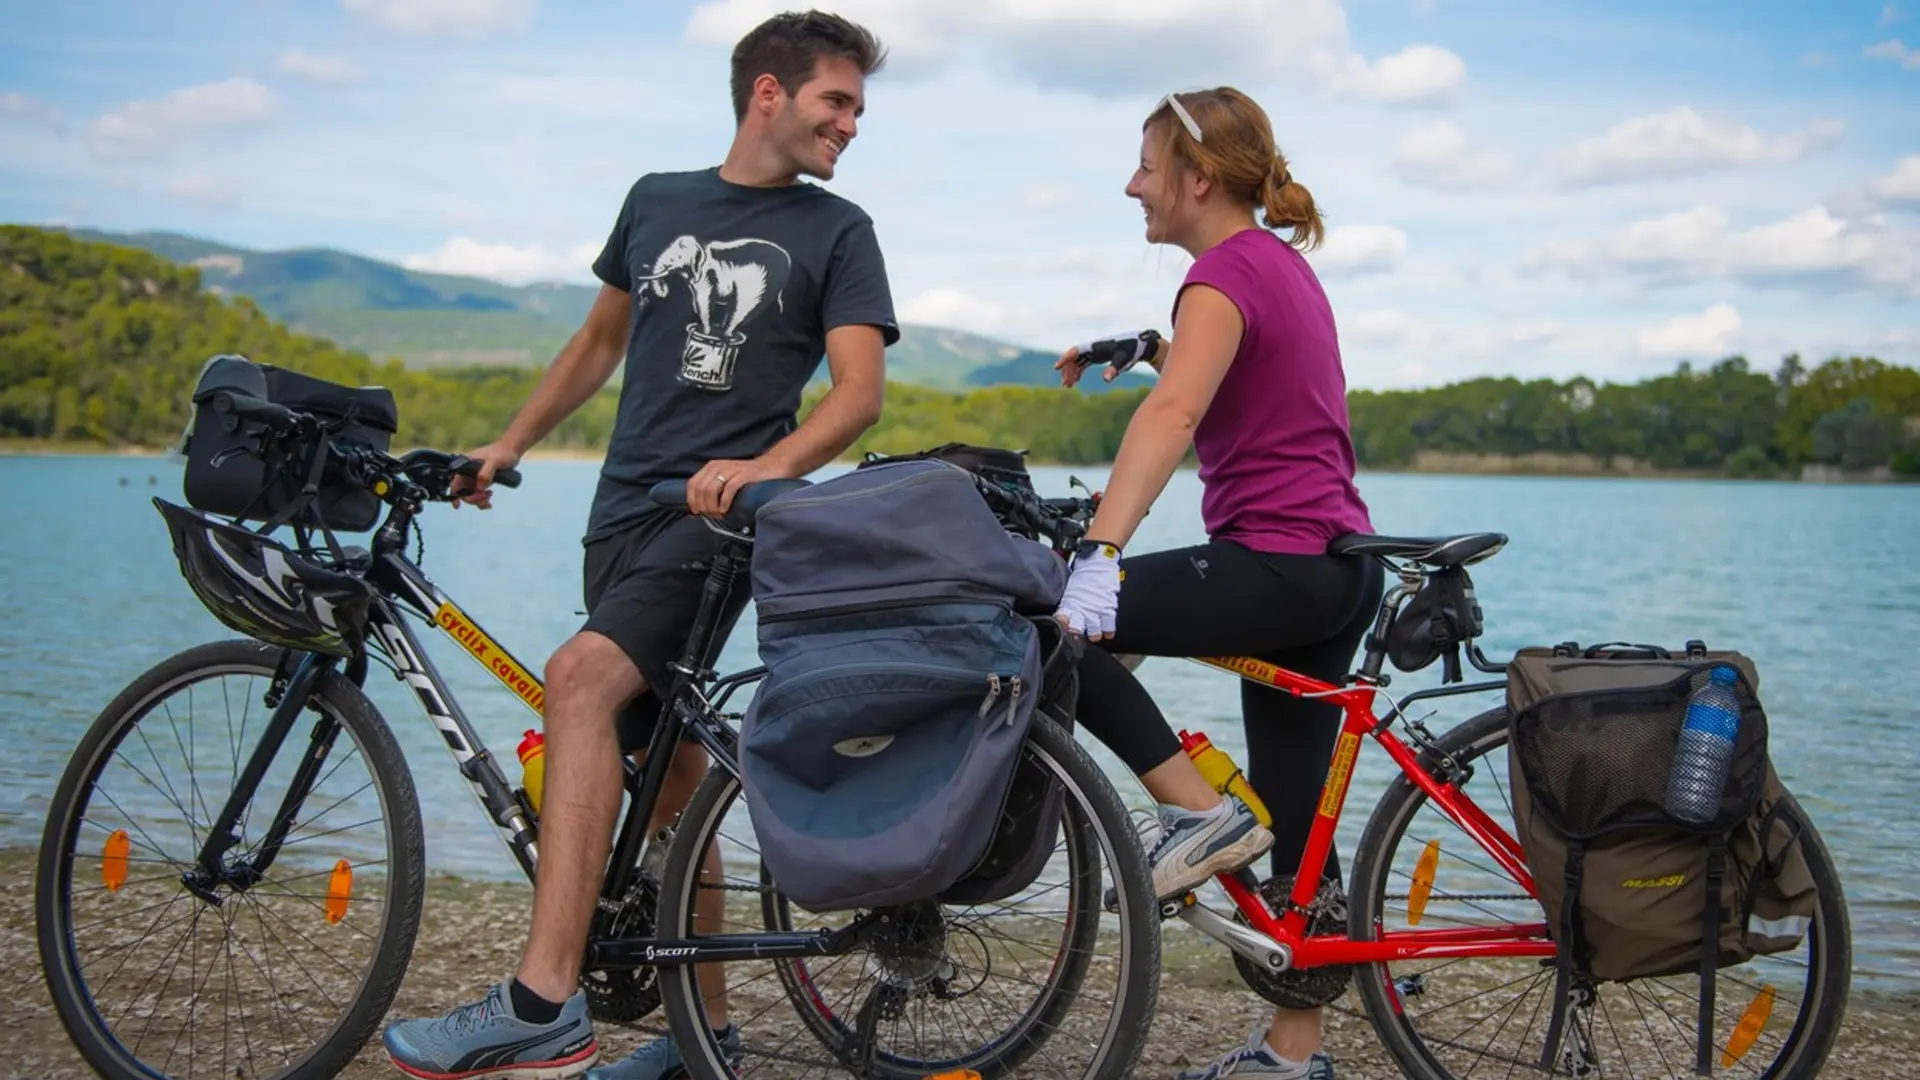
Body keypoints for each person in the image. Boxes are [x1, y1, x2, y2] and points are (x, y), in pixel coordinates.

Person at [380, 11, 898, 1080]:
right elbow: (600, 341)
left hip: (716, 527)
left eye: (855, 107)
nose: (851, 123)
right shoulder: (655, 201)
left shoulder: (838, 229)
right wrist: (509, 444)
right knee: (670, 782)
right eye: (834, 101)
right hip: (616, 517)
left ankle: (541, 1001)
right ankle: (701, 1035)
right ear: (768, 90)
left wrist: (764, 471)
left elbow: (859, 397)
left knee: (576, 682)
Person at [1048, 87, 1384, 1080]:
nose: (1132, 184)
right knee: (1295, 862)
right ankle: (1293, 1055)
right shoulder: (1273, 266)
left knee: (1058, 629)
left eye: (1147, 166)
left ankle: (1198, 816)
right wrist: (1145, 346)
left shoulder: (1222, 276)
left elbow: (1174, 417)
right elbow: (1233, 367)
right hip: (1331, 572)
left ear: (1197, 178)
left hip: (1274, 565)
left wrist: (1099, 558)